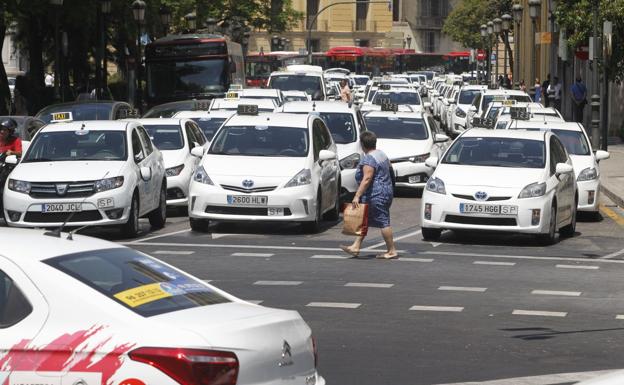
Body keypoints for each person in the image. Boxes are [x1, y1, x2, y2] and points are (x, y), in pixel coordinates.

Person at [340, 131, 397, 259]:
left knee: (383, 221)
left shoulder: (369, 159)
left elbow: (367, 178)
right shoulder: (381, 154)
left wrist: (357, 195)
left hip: (375, 194)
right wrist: (391, 187)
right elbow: (391, 171)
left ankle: (392, 250)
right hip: (385, 191)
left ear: (362, 145)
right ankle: (356, 246)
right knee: (364, 219)